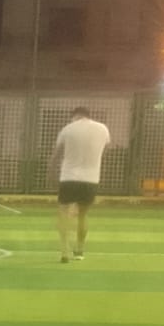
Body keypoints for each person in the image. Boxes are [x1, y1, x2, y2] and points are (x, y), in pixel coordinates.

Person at [49, 107, 111, 262]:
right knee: (83, 215)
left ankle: (64, 252)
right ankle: (80, 250)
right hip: (91, 178)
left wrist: (51, 172)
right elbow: (106, 149)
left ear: (74, 116)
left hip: (68, 177)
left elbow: (56, 154)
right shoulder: (102, 129)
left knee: (63, 213)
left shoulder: (67, 129)